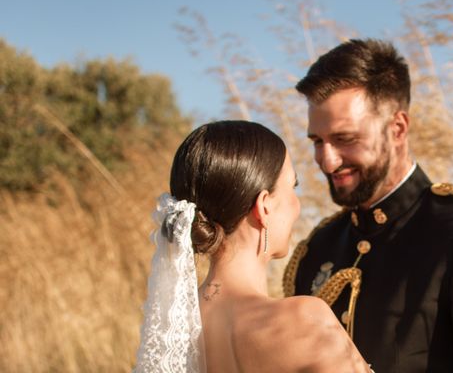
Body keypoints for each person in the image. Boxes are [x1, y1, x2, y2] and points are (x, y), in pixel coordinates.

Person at [283, 39, 453, 372]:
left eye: (344, 139)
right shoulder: (317, 248)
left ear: (398, 128)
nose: (327, 161)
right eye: (318, 141)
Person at [134, 121, 371, 372]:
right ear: (264, 207)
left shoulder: (172, 330)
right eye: (293, 187)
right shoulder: (304, 320)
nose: (296, 205)